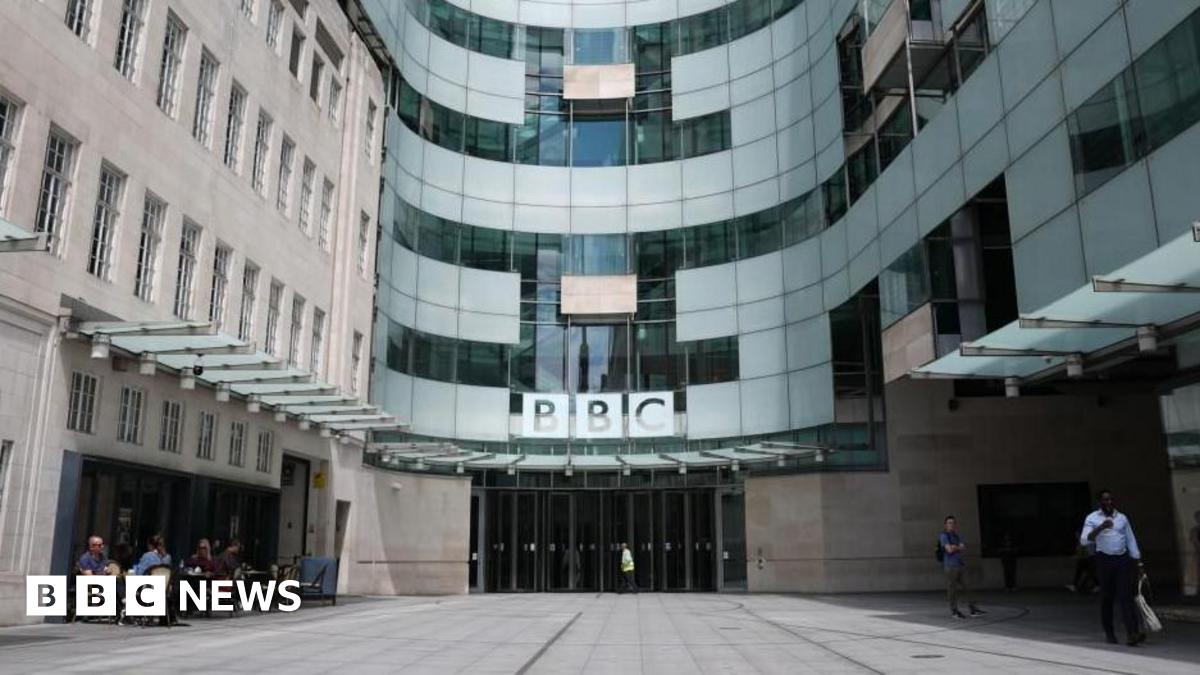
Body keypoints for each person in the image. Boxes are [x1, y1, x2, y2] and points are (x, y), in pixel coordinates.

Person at [1080, 489, 1144, 646]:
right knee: (1107, 597)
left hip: (1121, 559)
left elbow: (1130, 539)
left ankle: (1133, 633)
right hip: (1104, 560)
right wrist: (1101, 527)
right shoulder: (1092, 518)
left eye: (1110, 500)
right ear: (1099, 502)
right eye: (1105, 500)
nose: (1108, 503)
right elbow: (1084, 540)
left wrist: (1137, 560)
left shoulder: (1122, 518)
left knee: (1126, 596)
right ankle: (1109, 633)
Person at [939, 516, 983, 619]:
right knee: (952, 590)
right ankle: (954, 611)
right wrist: (956, 547)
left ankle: (973, 609)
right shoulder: (944, 536)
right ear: (945, 525)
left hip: (959, 565)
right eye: (949, 523)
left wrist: (955, 547)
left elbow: (962, 547)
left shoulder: (956, 536)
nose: (952, 525)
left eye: (953, 523)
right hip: (950, 566)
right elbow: (949, 550)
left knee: (968, 586)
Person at [1068, 529, 1098, 594]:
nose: (1076, 536)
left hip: (1086, 558)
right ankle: (1076, 585)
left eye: (1077, 534)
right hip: (1086, 558)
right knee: (1088, 572)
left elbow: (1085, 550)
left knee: (1086, 572)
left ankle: (1076, 585)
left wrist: (1080, 556)